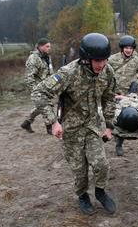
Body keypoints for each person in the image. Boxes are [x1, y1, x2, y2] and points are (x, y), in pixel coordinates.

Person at [31, 33, 117, 215]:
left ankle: (100, 192)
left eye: (104, 60)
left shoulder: (107, 72)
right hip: (71, 130)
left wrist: (109, 125)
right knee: (80, 170)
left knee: (101, 164)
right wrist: (53, 122)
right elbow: (39, 93)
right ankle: (82, 196)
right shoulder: (68, 73)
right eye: (97, 60)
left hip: (93, 126)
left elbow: (109, 97)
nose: (101, 65)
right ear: (86, 59)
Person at [21, 38, 54, 134]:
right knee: (47, 105)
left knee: (42, 106)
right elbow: (29, 77)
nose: (49, 48)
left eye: (50, 46)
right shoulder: (33, 58)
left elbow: (49, 71)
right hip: (38, 88)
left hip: (47, 86)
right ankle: (49, 127)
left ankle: (27, 122)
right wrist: (35, 90)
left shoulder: (47, 57)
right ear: (40, 46)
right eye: (47, 46)